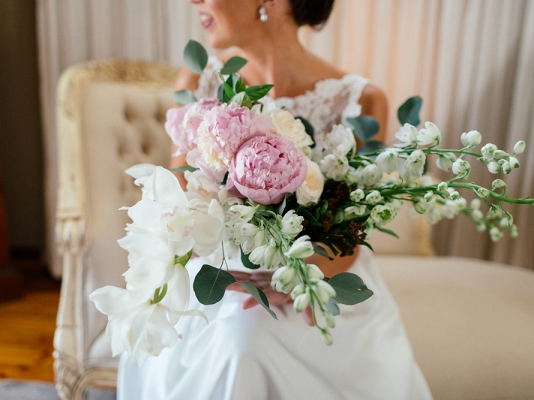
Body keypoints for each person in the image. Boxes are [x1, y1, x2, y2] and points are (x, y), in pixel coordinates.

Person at [117, 0, 433, 399]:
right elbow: (184, 209)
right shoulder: (200, 80)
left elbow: (349, 234)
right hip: (221, 273)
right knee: (239, 341)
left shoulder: (362, 102)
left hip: (319, 275)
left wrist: (296, 279)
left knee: (252, 343)